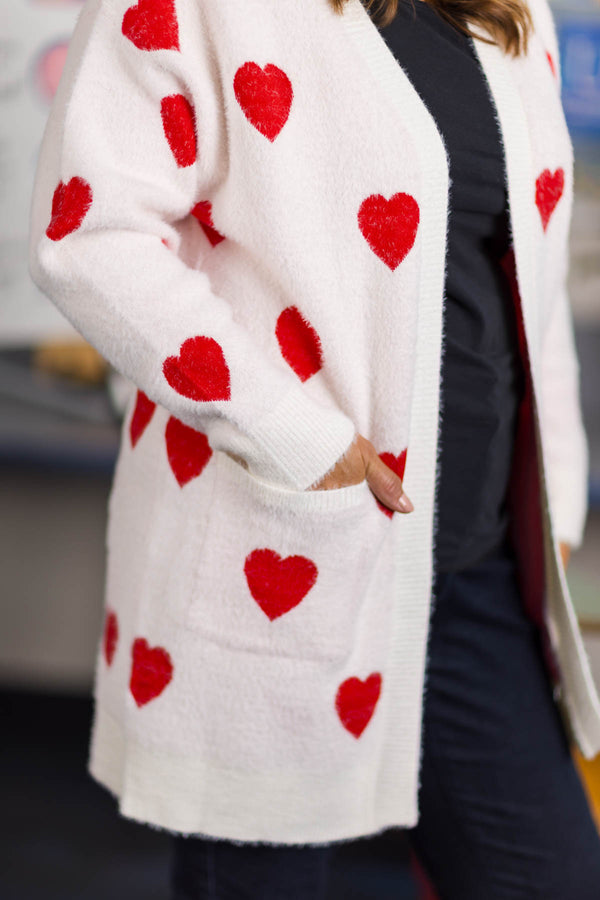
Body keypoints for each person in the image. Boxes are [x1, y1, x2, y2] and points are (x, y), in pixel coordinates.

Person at [28, 0, 600, 896]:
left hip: (475, 575)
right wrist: (299, 439)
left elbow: (528, 261)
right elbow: (90, 235)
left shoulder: (504, 9)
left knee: (552, 877)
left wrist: (555, 492)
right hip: (280, 560)